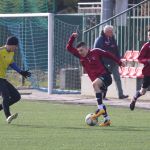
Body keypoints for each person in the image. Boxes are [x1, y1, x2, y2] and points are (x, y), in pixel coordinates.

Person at [66, 32, 125, 126]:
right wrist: (72, 37)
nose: (80, 52)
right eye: (79, 51)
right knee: (100, 100)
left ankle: (100, 109)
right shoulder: (80, 56)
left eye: (82, 50)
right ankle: (107, 120)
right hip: (99, 80)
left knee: (95, 85)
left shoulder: (96, 51)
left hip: (105, 76)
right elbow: (68, 48)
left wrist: (119, 62)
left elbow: (108, 54)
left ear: (87, 48)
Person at [0, 36, 31, 124]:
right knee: (5, 96)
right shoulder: (1, 51)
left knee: (16, 96)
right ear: (10, 45)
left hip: (2, 78)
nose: (16, 48)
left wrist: (21, 72)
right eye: (15, 46)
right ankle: (8, 116)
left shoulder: (11, 53)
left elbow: (11, 63)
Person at [94, 25, 128, 100]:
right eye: (111, 31)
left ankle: (121, 94)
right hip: (104, 63)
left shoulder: (112, 39)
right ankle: (103, 95)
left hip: (114, 62)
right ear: (107, 32)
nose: (112, 33)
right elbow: (96, 51)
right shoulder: (100, 39)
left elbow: (116, 50)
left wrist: (119, 61)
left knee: (117, 78)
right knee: (106, 79)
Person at [130, 29, 150, 110]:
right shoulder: (146, 46)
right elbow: (140, 58)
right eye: (149, 35)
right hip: (148, 72)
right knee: (143, 91)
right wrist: (148, 60)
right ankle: (134, 98)